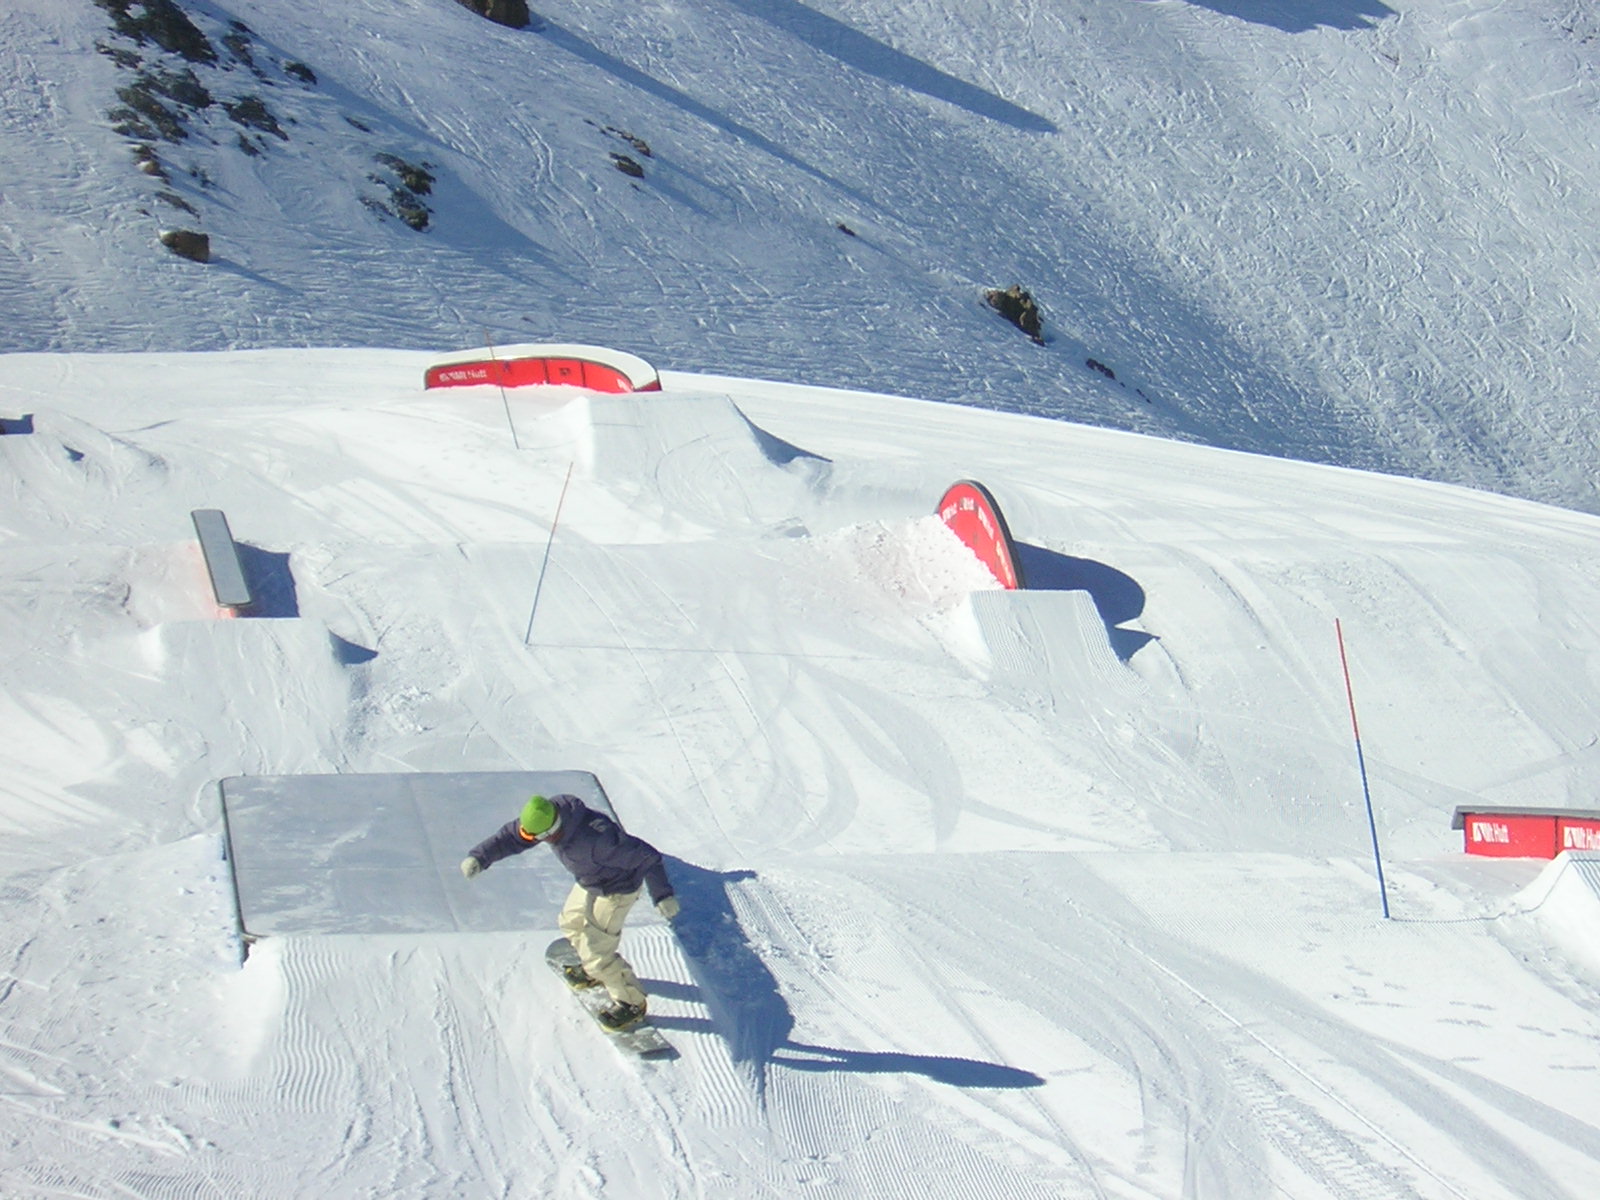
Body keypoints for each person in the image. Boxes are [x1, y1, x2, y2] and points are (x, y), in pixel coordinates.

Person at [461, 793, 679, 1031]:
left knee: (597, 953)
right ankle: (591, 969)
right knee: (571, 923)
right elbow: (512, 837)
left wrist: (662, 895)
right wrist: (480, 857)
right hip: (591, 879)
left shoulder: (599, 842)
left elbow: (648, 857)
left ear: (549, 833)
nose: (530, 840)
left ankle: (631, 1002)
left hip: (617, 890)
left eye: (536, 838)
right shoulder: (548, 814)